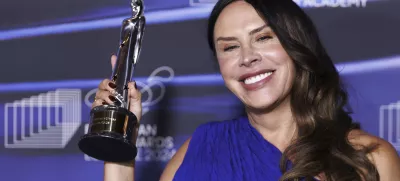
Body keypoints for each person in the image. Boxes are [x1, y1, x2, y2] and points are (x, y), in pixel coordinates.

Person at [93, 0, 400, 180]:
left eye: (264, 38)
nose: (247, 57)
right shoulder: (201, 149)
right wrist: (119, 138)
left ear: (296, 46)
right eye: (229, 47)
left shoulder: (369, 158)